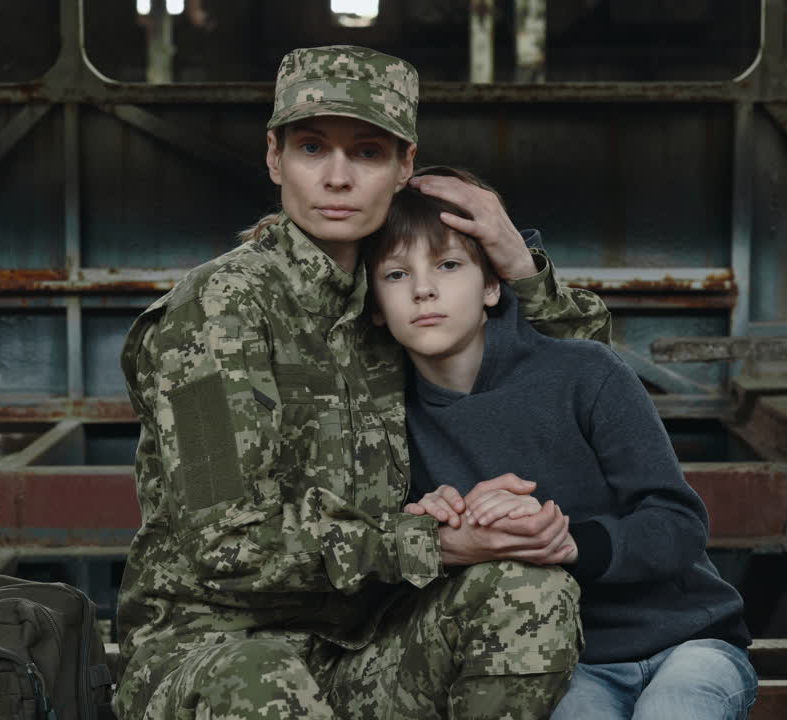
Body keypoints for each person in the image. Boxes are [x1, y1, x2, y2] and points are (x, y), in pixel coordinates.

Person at [113, 46, 611, 719]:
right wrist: (432, 541)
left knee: (528, 593)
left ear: (405, 168)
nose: (338, 178)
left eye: (369, 152)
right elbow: (225, 547)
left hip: (364, 646)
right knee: (266, 683)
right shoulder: (217, 308)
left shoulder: (398, 297)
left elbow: (584, 386)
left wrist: (517, 261)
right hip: (212, 649)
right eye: (312, 148)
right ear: (274, 158)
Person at [366, 176, 759, 720]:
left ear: (491, 286)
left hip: (688, 640)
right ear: (377, 307)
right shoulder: (386, 421)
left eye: (448, 265)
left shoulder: (585, 371)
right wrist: (444, 526)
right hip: (571, 662)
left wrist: (567, 544)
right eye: (395, 274)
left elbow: (678, 522)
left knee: (674, 710)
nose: (423, 290)